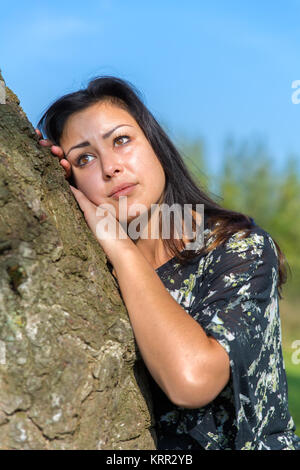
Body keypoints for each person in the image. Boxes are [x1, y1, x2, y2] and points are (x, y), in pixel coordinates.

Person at [36, 76, 300, 450]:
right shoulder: (89, 273)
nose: (110, 167)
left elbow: (191, 381)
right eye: (85, 158)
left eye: (121, 140)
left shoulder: (238, 247)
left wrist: (120, 246)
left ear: (155, 144)